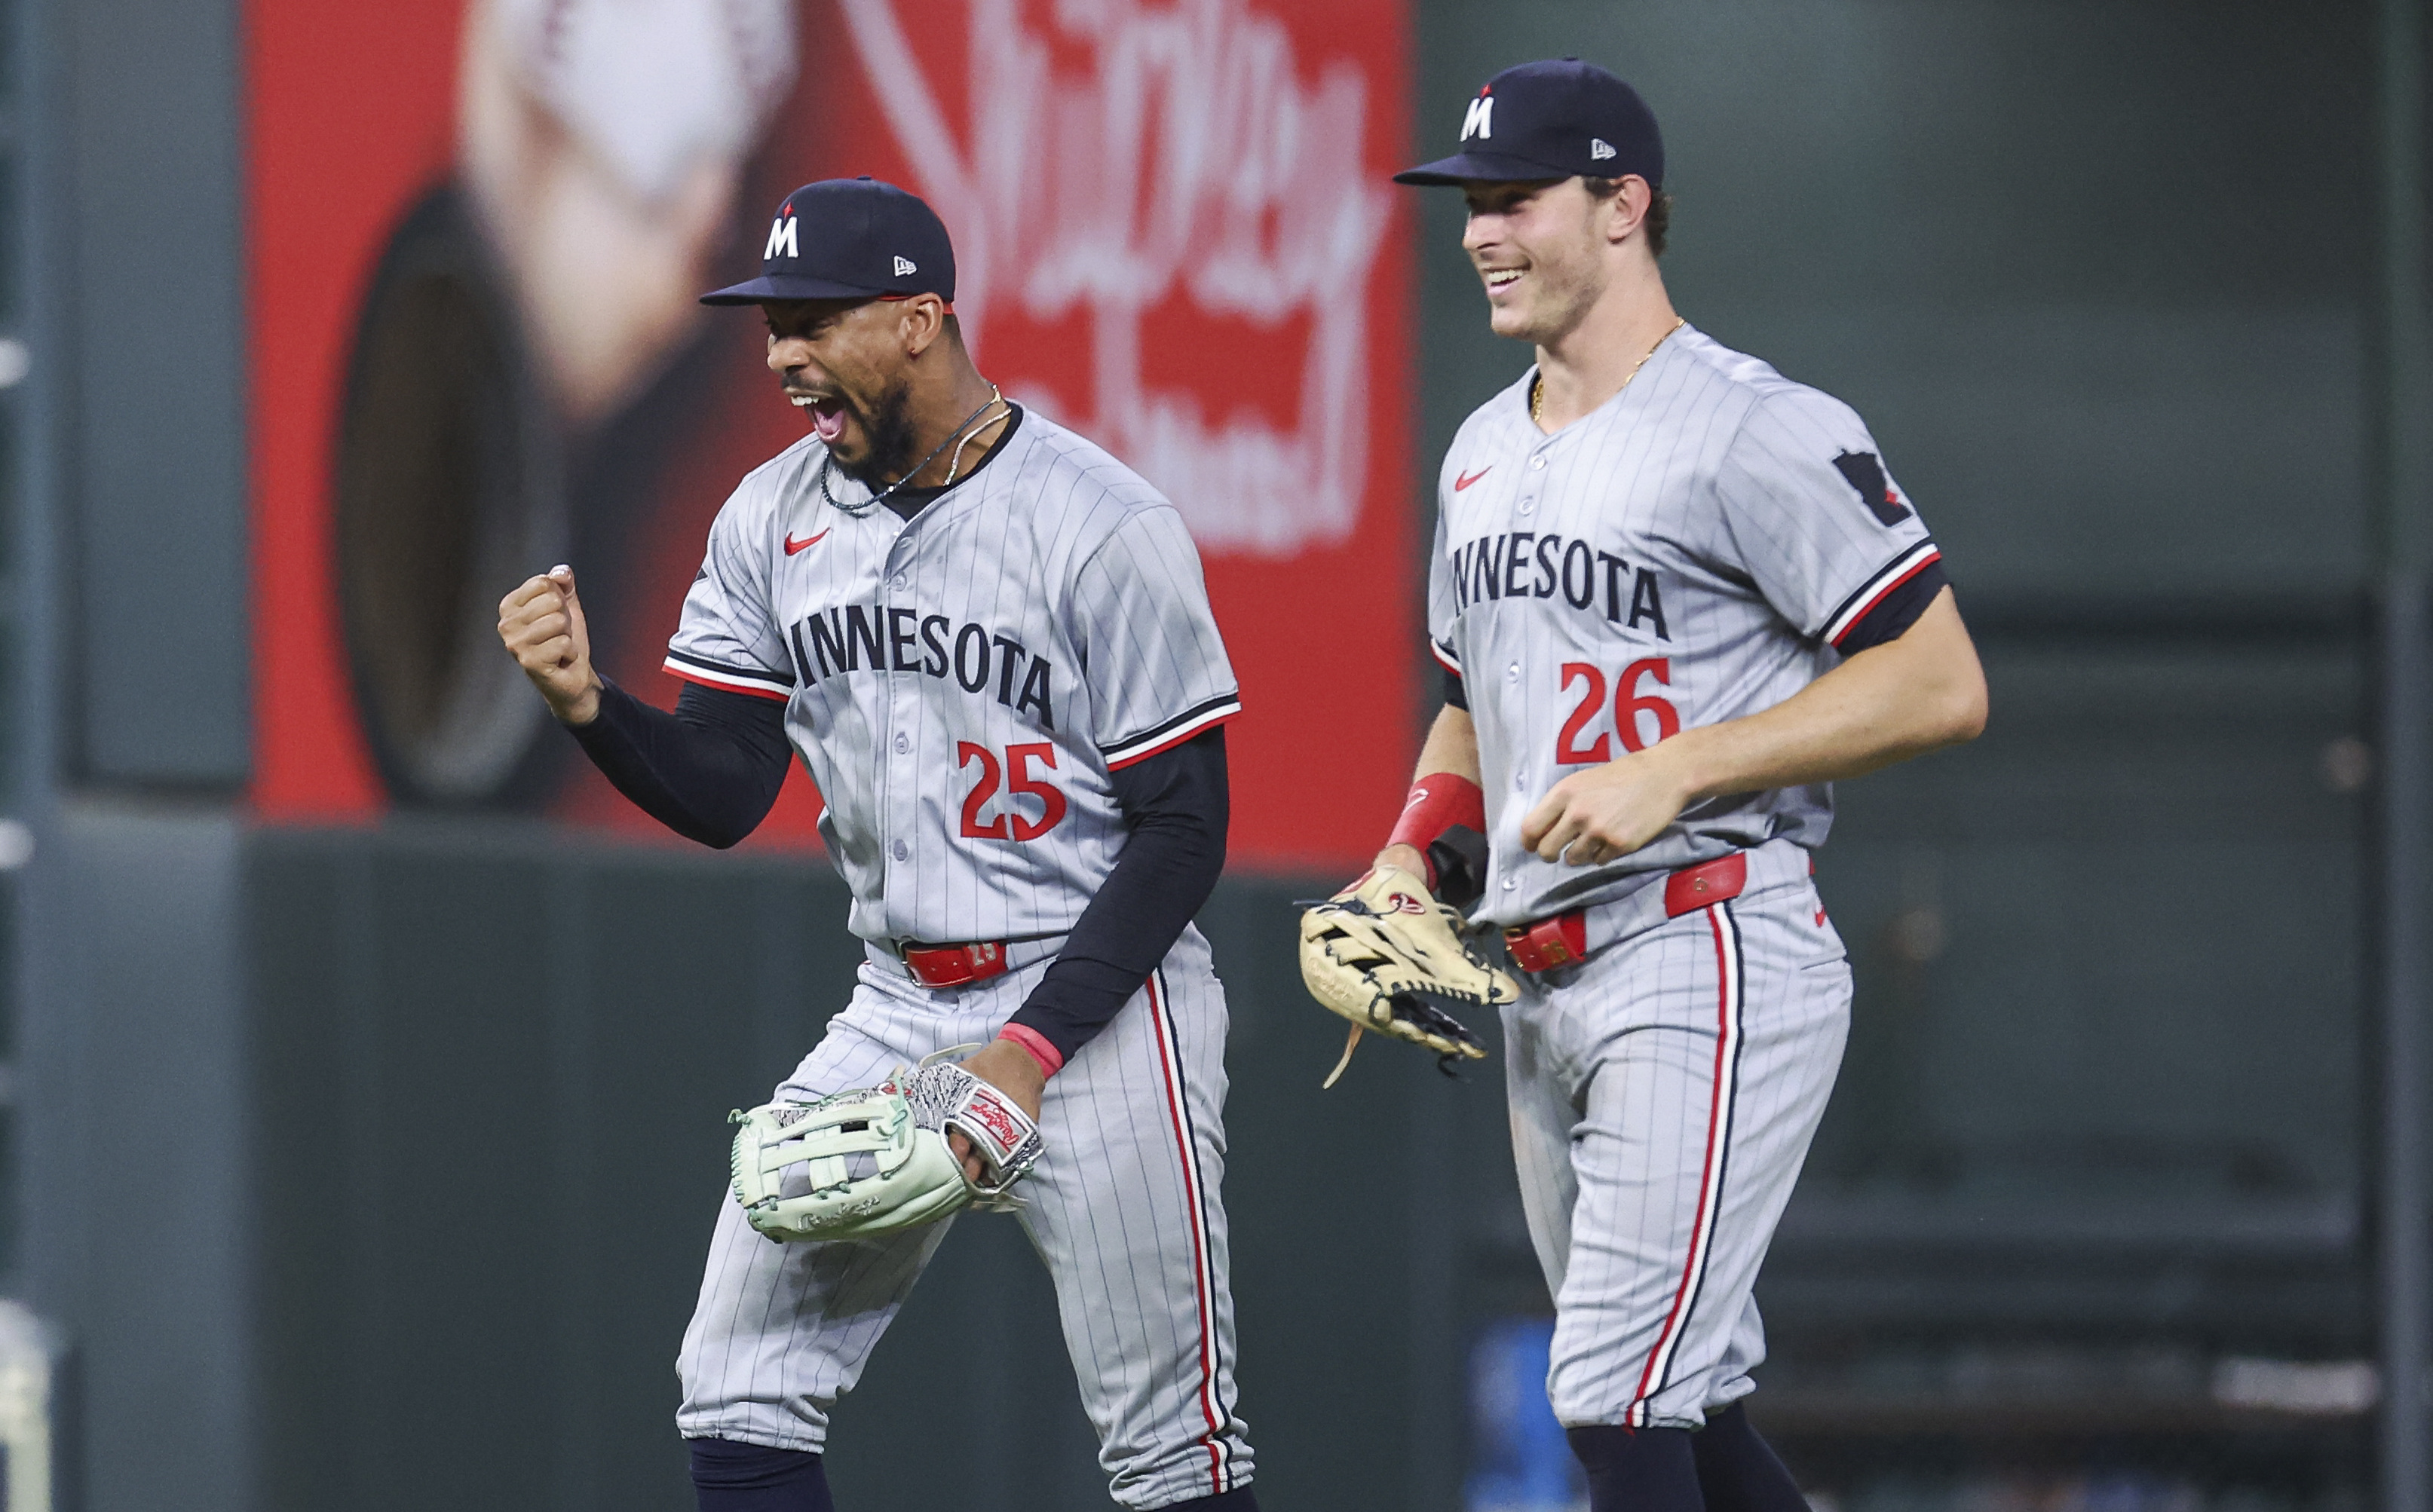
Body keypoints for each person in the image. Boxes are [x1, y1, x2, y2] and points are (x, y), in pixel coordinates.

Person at [497, 176, 1258, 1512]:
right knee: (736, 1396)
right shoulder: (767, 519)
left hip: (1103, 1008)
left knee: (1173, 1459)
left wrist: (1030, 1047)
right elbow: (727, 788)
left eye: (816, 318)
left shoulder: (1102, 523)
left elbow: (1187, 827)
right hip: (901, 1005)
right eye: (771, 322)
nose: (784, 353)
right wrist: (589, 708)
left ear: (920, 316)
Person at [1375, 60, 1987, 1509]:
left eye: (1515, 198)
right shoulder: (1476, 452)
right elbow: (1476, 704)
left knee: (1606, 1389)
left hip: (1709, 937)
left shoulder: (1752, 424)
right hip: (1541, 970)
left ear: (1623, 205)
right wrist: (1412, 855)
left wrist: (1685, 763)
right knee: (1680, 1401)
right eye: (1470, 202)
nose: (1480, 232)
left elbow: (1940, 681)